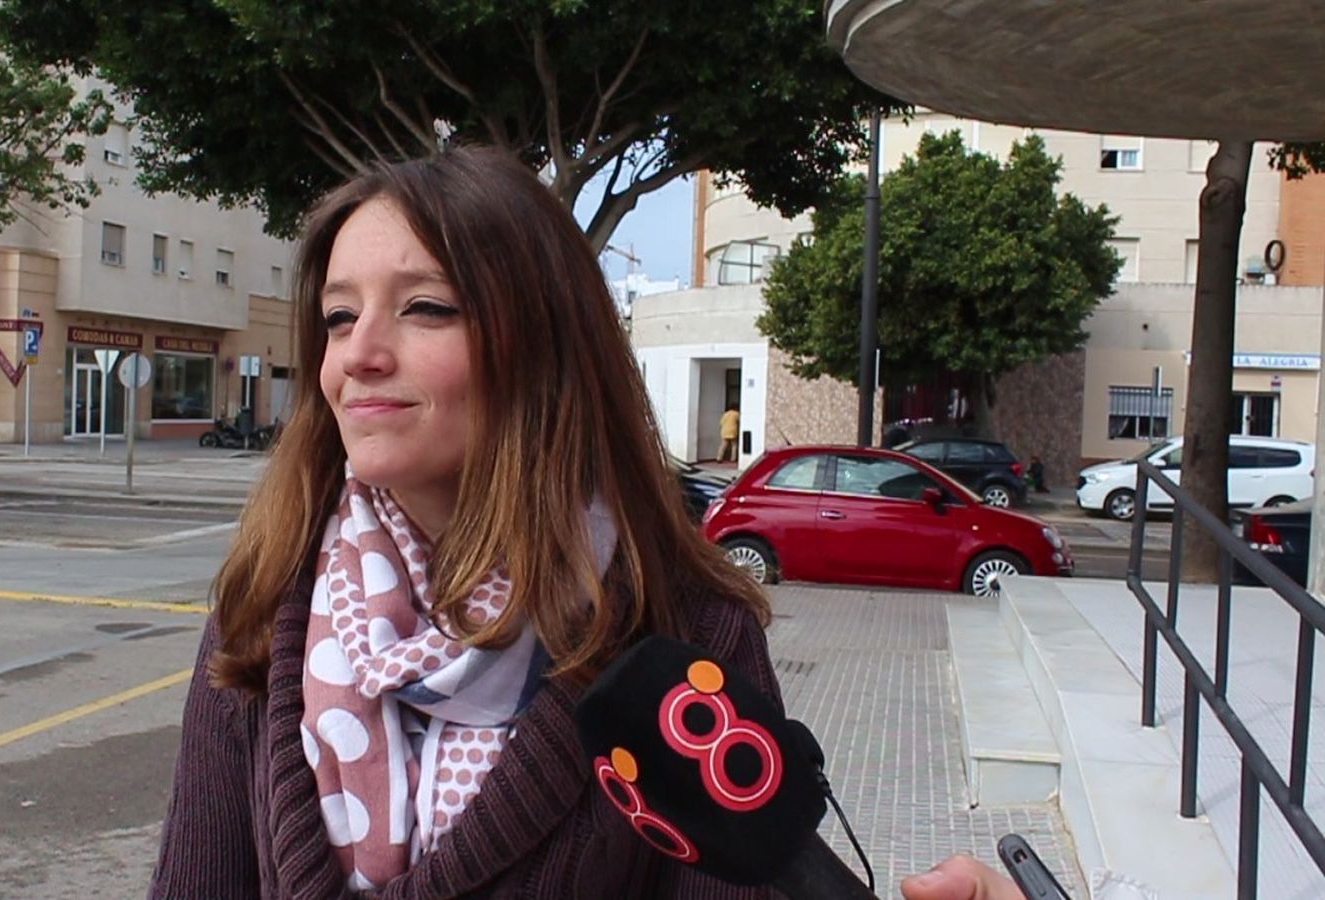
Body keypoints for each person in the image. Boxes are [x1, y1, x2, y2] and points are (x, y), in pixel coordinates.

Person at [148, 147, 1026, 899]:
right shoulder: (266, 612)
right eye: (340, 316)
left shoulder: (689, 631)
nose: (359, 353)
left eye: (425, 307)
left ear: (543, 347)